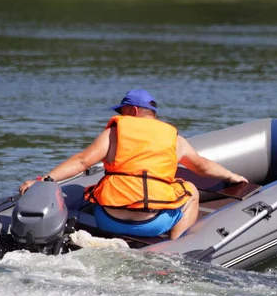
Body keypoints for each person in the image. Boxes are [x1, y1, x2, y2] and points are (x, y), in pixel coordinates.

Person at [19, 89, 247, 239]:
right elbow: (203, 167)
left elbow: (81, 161)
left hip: (109, 220)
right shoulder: (174, 139)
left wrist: (43, 180)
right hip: (153, 223)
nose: (121, 115)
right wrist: (231, 175)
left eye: (123, 111)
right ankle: (177, 246)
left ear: (133, 111)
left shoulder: (113, 134)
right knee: (191, 191)